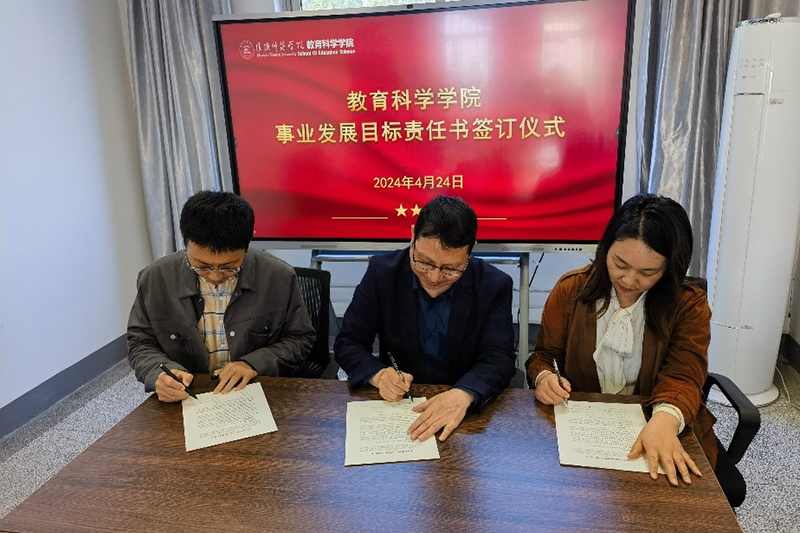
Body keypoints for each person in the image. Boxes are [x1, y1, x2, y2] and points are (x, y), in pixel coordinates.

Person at [527, 193, 729, 489]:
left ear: (670, 267)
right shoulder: (571, 290)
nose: (629, 280)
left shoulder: (688, 305)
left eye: (648, 272)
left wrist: (665, 419)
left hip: (655, 422)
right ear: (605, 248)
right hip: (585, 430)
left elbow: (685, 374)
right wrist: (544, 377)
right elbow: (543, 357)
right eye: (619, 264)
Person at [334, 196, 516, 442]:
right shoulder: (382, 273)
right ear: (412, 236)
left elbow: (499, 358)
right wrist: (378, 375)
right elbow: (348, 342)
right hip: (398, 407)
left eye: (450, 269)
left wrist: (465, 393)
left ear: (470, 251)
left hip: (463, 414)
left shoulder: (493, 285)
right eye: (424, 262)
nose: (433, 277)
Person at [128, 191, 315, 402]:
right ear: (184, 238)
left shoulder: (279, 276)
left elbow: (300, 339)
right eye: (201, 266)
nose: (215, 277)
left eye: (229, 267)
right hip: (189, 396)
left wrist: (253, 363)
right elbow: (141, 343)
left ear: (249, 240)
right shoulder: (155, 279)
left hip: (257, 390)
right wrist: (159, 372)